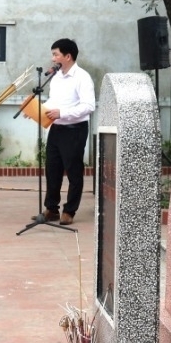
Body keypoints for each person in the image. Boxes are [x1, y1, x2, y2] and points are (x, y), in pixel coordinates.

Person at [43, 38, 95, 225]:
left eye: (55, 54)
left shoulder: (82, 77)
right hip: (56, 128)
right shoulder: (55, 77)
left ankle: (69, 211)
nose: (52, 58)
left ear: (68, 56)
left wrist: (62, 113)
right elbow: (53, 101)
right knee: (52, 169)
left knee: (73, 172)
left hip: (75, 129)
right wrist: (36, 108)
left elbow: (88, 106)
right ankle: (51, 209)